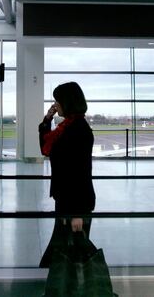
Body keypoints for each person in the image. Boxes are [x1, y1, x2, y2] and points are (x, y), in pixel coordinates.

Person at [38, 82, 95, 268]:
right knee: (67, 253)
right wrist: (47, 120)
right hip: (66, 200)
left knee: (68, 255)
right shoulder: (67, 127)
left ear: (67, 102)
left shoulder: (78, 130)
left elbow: (80, 173)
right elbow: (46, 149)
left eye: (58, 101)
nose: (56, 105)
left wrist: (76, 213)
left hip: (75, 203)